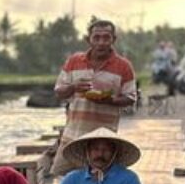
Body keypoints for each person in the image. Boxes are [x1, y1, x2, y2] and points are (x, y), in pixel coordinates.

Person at [51, 18, 137, 175]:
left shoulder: (124, 66)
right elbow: (58, 91)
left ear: (114, 40)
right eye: (96, 37)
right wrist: (73, 87)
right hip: (72, 136)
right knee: (59, 174)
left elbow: (131, 98)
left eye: (106, 37)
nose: (101, 42)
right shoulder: (74, 61)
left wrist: (109, 100)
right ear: (88, 40)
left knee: (100, 182)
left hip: (104, 140)